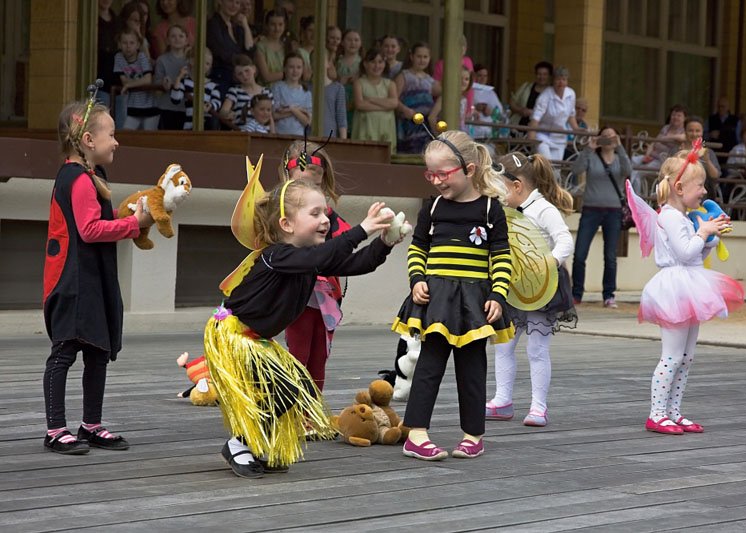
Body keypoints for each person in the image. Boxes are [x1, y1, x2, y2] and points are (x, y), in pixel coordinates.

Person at [205, 179, 400, 477]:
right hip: (233, 335)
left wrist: (385, 243)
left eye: (327, 214)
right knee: (281, 388)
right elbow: (323, 255)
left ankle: (253, 443)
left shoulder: (307, 260)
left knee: (291, 390)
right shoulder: (277, 256)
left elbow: (357, 263)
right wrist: (363, 229)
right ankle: (238, 444)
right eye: (316, 213)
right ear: (286, 223)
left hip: (257, 339)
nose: (325, 221)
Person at [392, 130, 514, 461]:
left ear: (469, 170)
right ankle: (416, 433)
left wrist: (498, 295)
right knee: (429, 364)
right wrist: (417, 279)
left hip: (474, 301)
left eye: (442, 174)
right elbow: (418, 247)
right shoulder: (431, 208)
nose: (436, 181)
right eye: (430, 174)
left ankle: (473, 435)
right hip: (437, 300)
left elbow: (501, 256)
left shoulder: (491, 210)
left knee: (472, 367)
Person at [43, 95, 153, 454]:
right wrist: (133, 224)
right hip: (73, 281)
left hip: (92, 278)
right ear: (88, 141)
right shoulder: (77, 179)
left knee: (97, 350)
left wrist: (128, 217)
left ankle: (91, 423)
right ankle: (55, 429)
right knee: (65, 351)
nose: (116, 141)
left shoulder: (93, 176)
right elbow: (90, 229)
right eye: (111, 134)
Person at [628, 146, 744, 435]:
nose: (704, 191)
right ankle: (657, 413)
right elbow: (684, 251)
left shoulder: (684, 217)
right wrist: (703, 233)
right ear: (679, 188)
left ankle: (674, 411)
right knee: (672, 355)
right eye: (700, 186)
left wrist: (710, 235)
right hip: (675, 288)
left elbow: (696, 252)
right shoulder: (668, 216)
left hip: (690, 282)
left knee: (687, 356)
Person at [485, 153, 575, 427]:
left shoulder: (544, 210)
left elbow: (564, 241)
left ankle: (538, 406)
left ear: (516, 186)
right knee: (503, 344)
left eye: (500, 188)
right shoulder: (505, 211)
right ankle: (502, 400)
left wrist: (548, 264)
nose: (497, 194)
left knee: (537, 347)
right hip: (514, 288)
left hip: (541, 291)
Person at [278, 140, 350, 391]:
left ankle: (313, 413)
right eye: (303, 186)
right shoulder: (275, 212)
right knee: (299, 354)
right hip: (295, 291)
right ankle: (293, 412)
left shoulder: (328, 215)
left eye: (316, 186)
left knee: (320, 356)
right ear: (288, 175)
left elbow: (345, 242)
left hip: (325, 292)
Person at [570, 126, 632, 308]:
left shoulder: (620, 158)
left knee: (610, 256)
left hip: (613, 212)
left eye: (612, 137)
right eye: (604, 137)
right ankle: (576, 294)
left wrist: (620, 147)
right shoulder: (592, 156)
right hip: (591, 209)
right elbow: (576, 170)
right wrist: (589, 148)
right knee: (580, 254)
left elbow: (628, 171)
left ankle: (608, 295)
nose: (608, 140)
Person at [526, 66, 582, 161]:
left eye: (563, 79)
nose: (561, 82)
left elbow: (571, 115)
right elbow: (535, 118)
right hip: (543, 135)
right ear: (553, 81)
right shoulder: (545, 95)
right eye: (558, 79)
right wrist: (532, 137)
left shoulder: (571, 94)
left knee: (556, 169)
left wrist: (576, 129)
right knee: (547, 164)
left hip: (559, 137)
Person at [630, 104, 687, 195]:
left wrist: (665, 138)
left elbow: (682, 138)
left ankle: (635, 198)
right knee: (631, 162)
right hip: (651, 157)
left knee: (637, 173)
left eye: (679, 115)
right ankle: (627, 192)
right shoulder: (666, 128)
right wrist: (647, 155)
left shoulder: (684, 131)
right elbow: (654, 142)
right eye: (673, 115)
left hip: (662, 162)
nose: (675, 117)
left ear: (684, 118)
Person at [395, 42, 438, 154]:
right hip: (409, 121)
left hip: (425, 123)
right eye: (419, 56)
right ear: (411, 57)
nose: (422, 60)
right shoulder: (404, 76)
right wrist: (405, 110)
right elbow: (394, 99)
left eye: (425, 57)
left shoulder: (430, 80)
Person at [352, 49, 398, 151]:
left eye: (380, 62)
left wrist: (371, 99)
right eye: (373, 62)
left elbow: (394, 103)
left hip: (386, 130)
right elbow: (360, 105)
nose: (377, 66)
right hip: (365, 129)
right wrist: (385, 105)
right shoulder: (359, 83)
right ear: (365, 64)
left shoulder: (390, 84)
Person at [207, 0, 255, 97]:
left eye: (237, 2)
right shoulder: (213, 24)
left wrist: (245, 26)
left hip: (239, 80)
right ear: (220, 2)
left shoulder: (236, 26)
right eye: (230, 1)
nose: (234, 6)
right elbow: (221, 52)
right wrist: (242, 63)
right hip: (221, 80)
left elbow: (249, 51)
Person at [114, 28, 159, 130]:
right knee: (126, 134)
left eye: (132, 43)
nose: (128, 46)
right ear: (119, 44)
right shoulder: (119, 57)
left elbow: (148, 80)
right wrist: (134, 83)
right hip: (132, 107)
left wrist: (129, 85)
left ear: (138, 45)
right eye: (125, 43)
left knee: (149, 138)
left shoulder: (141, 57)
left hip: (150, 107)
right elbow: (124, 80)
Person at [170, 47, 222, 130]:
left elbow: (217, 102)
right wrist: (178, 78)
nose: (204, 66)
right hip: (190, 125)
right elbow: (175, 99)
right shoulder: (185, 82)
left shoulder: (213, 85)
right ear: (192, 61)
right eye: (201, 61)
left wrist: (211, 105)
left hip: (207, 125)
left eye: (207, 64)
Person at [219, 54, 272, 129]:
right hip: (243, 134)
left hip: (264, 134)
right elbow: (223, 111)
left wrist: (273, 135)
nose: (244, 75)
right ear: (236, 77)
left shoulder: (267, 92)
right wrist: (227, 114)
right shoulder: (235, 91)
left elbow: (271, 117)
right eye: (240, 74)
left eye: (247, 71)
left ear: (254, 69)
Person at [676, 116, 721, 201]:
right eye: (690, 130)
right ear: (685, 132)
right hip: (680, 194)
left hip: (702, 197)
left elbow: (715, 176)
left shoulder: (708, 152)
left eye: (697, 131)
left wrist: (707, 160)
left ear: (702, 132)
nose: (694, 134)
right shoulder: (677, 150)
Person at [154, 24, 190, 130]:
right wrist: (163, 83)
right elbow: (157, 81)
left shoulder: (191, 60)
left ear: (187, 40)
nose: (177, 39)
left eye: (181, 36)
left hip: (186, 107)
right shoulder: (162, 60)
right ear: (168, 40)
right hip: (166, 106)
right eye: (173, 36)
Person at [272, 53, 311, 136]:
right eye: (291, 67)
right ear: (284, 68)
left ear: (303, 69)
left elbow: (307, 122)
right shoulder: (277, 87)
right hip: (279, 134)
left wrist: (291, 109)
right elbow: (274, 115)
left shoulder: (306, 92)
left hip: (299, 136)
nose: (295, 71)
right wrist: (298, 110)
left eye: (298, 67)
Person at [429, 66, 472, 134]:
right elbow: (431, 118)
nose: (463, 82)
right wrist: (438, 135)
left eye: (466, 79)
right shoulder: (444, 98)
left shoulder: (464, 100)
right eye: (460, 79)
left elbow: (462, 122)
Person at [509, 61, 552, 128]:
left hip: (541, 129)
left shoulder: (552, 92)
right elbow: (512, 103)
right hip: (519, 126)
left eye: (545, 74)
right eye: (539, 74)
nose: (541, 77)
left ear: (549, 76)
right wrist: (520, 110)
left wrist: (534, 113)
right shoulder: (526, 87)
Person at [336, 29, 364, 134]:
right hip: (340, 100)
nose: (353, 43)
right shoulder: (336, 61)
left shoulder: (363, 63)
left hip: (356, 101)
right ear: (342, 42)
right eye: (349, 40)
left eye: (356, 40)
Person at [254, 8, 287, 87]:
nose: (277, 28)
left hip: (285, 90)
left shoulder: (286, 46)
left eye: (280, 24)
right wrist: (288, 74)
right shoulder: (261, 46)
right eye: (273, 24)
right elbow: (266, 77)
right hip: (267, 91)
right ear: (267, 25)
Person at [705, 96, 739, 164]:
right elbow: (704, 135)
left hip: (730, 151)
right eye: (719, 106)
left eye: (723, 106)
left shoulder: (735, 120)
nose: (720, 109)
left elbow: (738, 137)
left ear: (728, 107)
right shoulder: (711, 119)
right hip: (714, 152)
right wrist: (710, 135)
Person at [323, 74, 347, 139]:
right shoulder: (306, 87)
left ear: (328, 64)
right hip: (308, 137)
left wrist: (343, 142)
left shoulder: (337, 88)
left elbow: (341, 118)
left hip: (329, 136)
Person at [296, 16, 314, 81]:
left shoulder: (323, 51)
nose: (314, 34)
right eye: (310, 30)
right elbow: (306, 77)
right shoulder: (300, 52)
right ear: (304, 31)